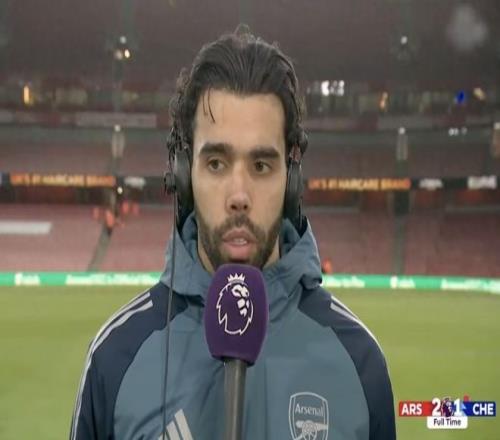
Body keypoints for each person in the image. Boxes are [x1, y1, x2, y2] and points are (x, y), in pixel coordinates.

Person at [70, 26, 395, 440]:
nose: (239, 196)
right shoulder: (115, 358)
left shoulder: (359, 362)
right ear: (184, 176)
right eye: (217, 164)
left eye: (261, 166)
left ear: (292, 180)